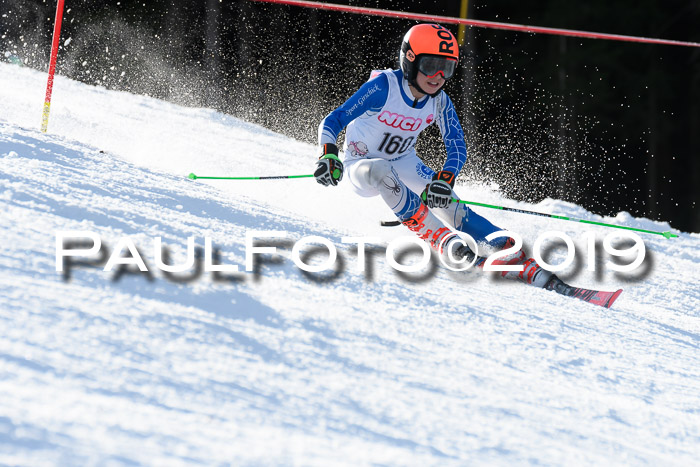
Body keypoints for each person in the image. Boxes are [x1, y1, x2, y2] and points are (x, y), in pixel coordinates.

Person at [314, 23, 556, 290]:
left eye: (447, 67)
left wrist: (445, 178)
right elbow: (334, 119)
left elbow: (457, 146)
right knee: (381, 168)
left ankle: (505, 248)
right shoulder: (384, 87)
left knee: (443, 197)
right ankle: (446, 242)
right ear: (410, 60)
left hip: (404, 162)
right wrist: (328, 154)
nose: (438, 76)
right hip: (361, 165)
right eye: (431, 66)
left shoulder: (439, 100)